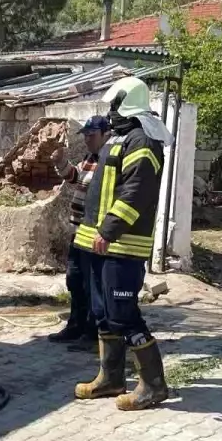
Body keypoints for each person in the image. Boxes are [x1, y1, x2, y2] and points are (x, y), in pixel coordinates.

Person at [74, 77, 173, 411]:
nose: (110, 112)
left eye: (114, 105)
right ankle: (111, 379)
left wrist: (109, 230)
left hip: (122, 247)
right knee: (103, 315)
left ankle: (154, 386)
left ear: (126, 103)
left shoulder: (143, 142)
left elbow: (135, 193)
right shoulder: (121, 138)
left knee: (124, 315)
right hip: (99, 246)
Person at [48, 115, 111, 350]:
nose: (87, 140)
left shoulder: (109, 160)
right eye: (85, 135)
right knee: (75, 280)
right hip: (79, 231)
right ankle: (76, 325)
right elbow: (75, 178)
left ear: (106, 134)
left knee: (91, 285)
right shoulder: (91, 157)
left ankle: (92, 333)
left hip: (93, 233)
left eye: (91, 135)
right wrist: (61, 163)